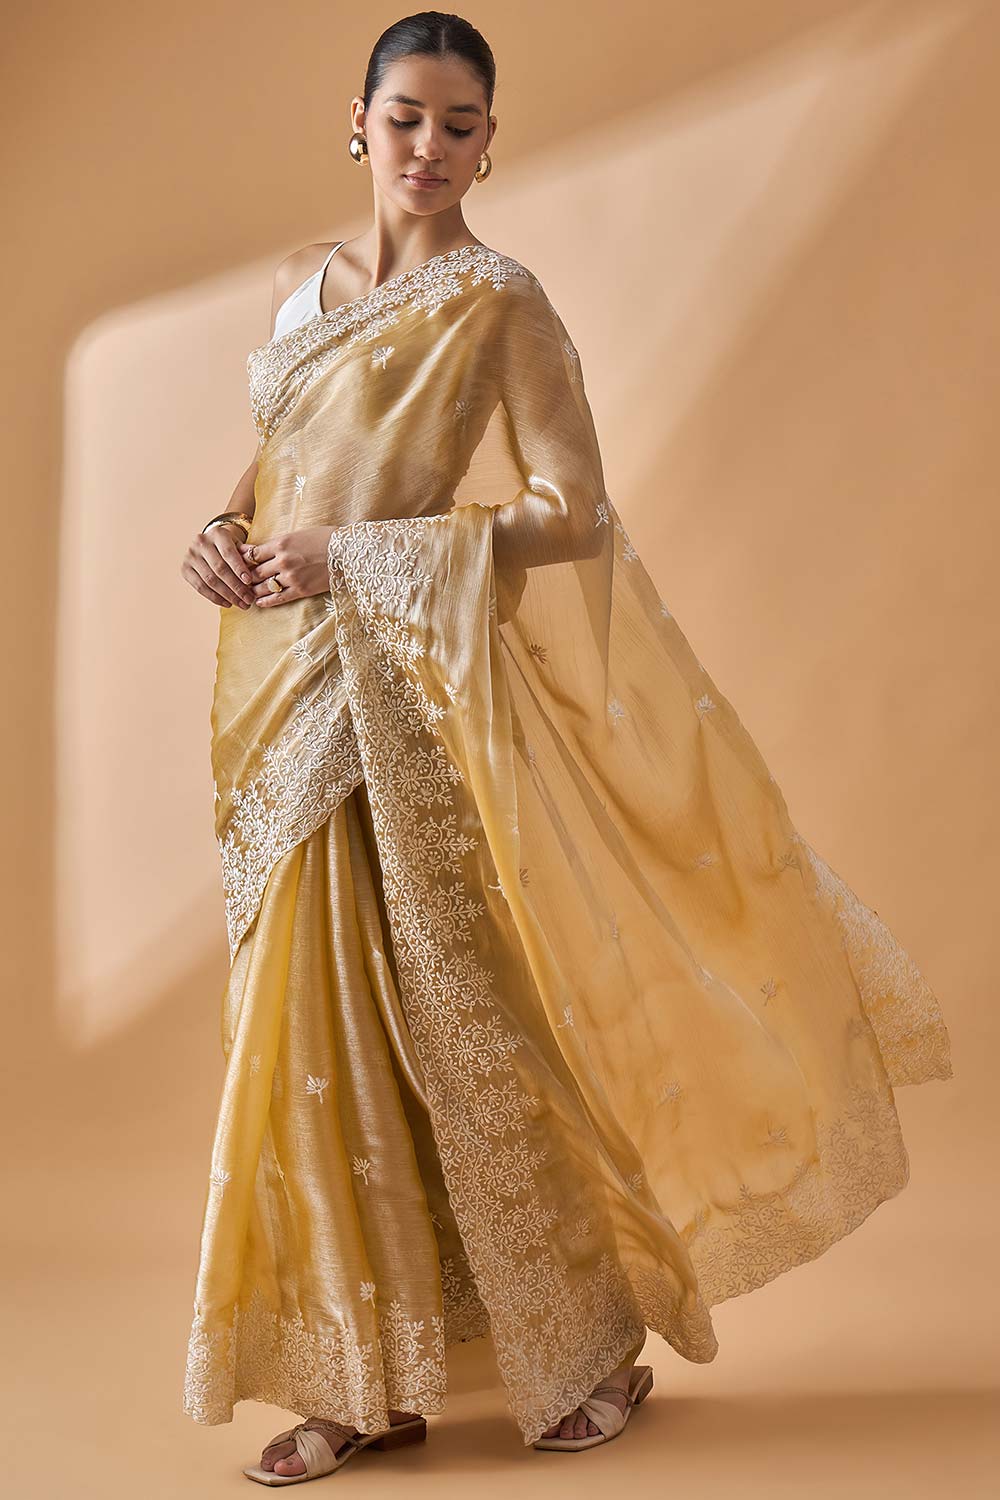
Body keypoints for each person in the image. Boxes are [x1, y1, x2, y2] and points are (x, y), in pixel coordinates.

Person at [179, 11, 954, 1485]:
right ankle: (356, 1379)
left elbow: (573, 515)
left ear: (490, 144)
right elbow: (275, 464)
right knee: (301, 1032)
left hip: (407, 691)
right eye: (405, 117)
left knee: (462, 1020)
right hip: (275, 697)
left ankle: (584, 1341)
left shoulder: (499, 304)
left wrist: (358, 555)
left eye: (459, 124)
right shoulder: (299, 289)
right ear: (359, 122)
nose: (429, 147)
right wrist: (221, 529)